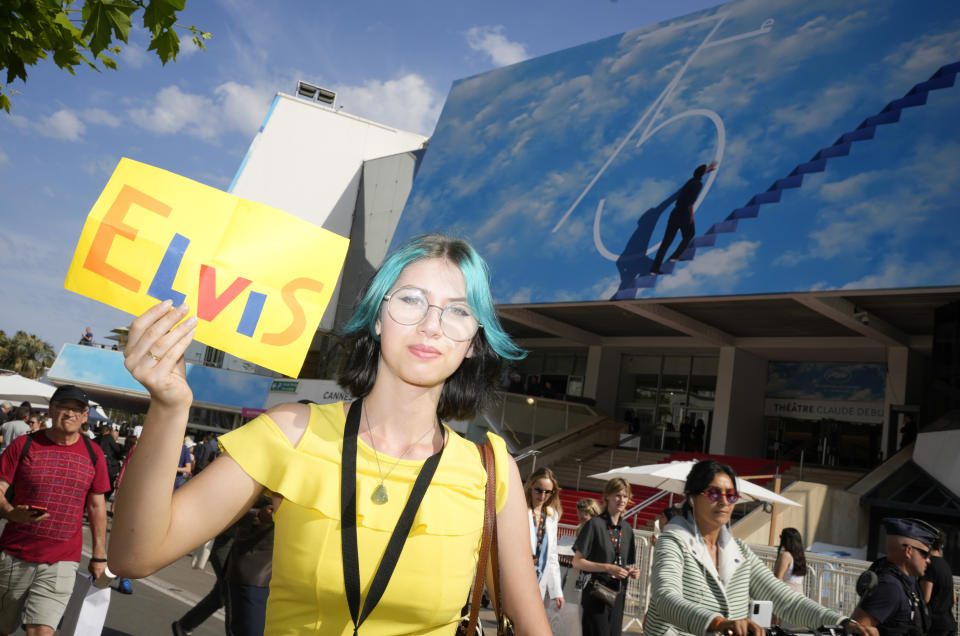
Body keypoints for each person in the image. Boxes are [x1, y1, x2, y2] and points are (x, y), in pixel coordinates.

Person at [109, 234, 551, 634]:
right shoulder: (293, 432)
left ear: (474, 340)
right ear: (378, 318)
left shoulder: (492, 474)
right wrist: (169, 408)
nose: (431, 325)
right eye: (412, 300)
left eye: (457, 310)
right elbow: (133, 555)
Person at [645, 460, 877, 636]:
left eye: (732, 495)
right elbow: (666, 598)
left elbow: (785, 598)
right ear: (692, 498)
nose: (724, 502)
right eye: (714, 493)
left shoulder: (739, 552)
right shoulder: (674, 541)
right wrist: (718, 622)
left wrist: (843, 622)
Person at [0, 385, 110, 636]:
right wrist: (10, 512)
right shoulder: (24, 445)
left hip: (62, 560)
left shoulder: (94, 454)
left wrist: (99, 555)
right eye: (63, 406)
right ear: (51, 410)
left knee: (42, 629)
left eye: (77, 409)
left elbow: (96, 505)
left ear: (85, 416)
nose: (70, 413)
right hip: (15, 555)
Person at [573, 478, 642, 636]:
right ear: (608, 496)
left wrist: (630, 571)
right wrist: (607, 567)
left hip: (617, 596)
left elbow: (620, 563)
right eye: (617, 495)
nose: (621, 500)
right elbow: (577, 562)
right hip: (596, 594)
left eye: (625, 496)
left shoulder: (627, 529)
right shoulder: (594, 524)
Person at [853, 517, 939, 636]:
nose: (928, 560)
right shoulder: (889, 587)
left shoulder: (908, 580)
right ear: (908, 551)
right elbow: (858, 628)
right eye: (925, 554)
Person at [649, 162, 717, 275]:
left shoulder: (690, 181)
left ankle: (654, 268)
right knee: (690, 234)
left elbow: (698, 175)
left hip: (675, 213)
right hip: (684, 213)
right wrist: (691, 216)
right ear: (701, 174)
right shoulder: (698, 184)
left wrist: (708, 169)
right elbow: (691, 202)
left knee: (666, 242)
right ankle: (675, 256)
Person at [526, 467, 565, 627]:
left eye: (547, 492)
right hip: (520, 578)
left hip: (539, 580)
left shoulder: (551, 515)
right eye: (538, 490)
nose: (542, 496)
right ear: (530, 487)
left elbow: (552, 556)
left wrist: (557, 592)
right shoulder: (520, 510)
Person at [920, 531, 957, 636]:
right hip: (949, 624)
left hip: (934, 625)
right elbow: (954, 598)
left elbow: (925, 597)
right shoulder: (946, 565)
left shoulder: (929, 565)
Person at [96, 423, 124, 502]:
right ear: (108, 431)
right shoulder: (108, 437)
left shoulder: (97, 438)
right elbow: (117, 450)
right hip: (109, 466)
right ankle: (103, 500)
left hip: (97, 464)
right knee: (109, 486)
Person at [774, 527, 807, 594]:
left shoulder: (786, 555)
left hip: (787, 593)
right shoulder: (800, 555)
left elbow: (778, 578)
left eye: (781, 537)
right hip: (799, 592)